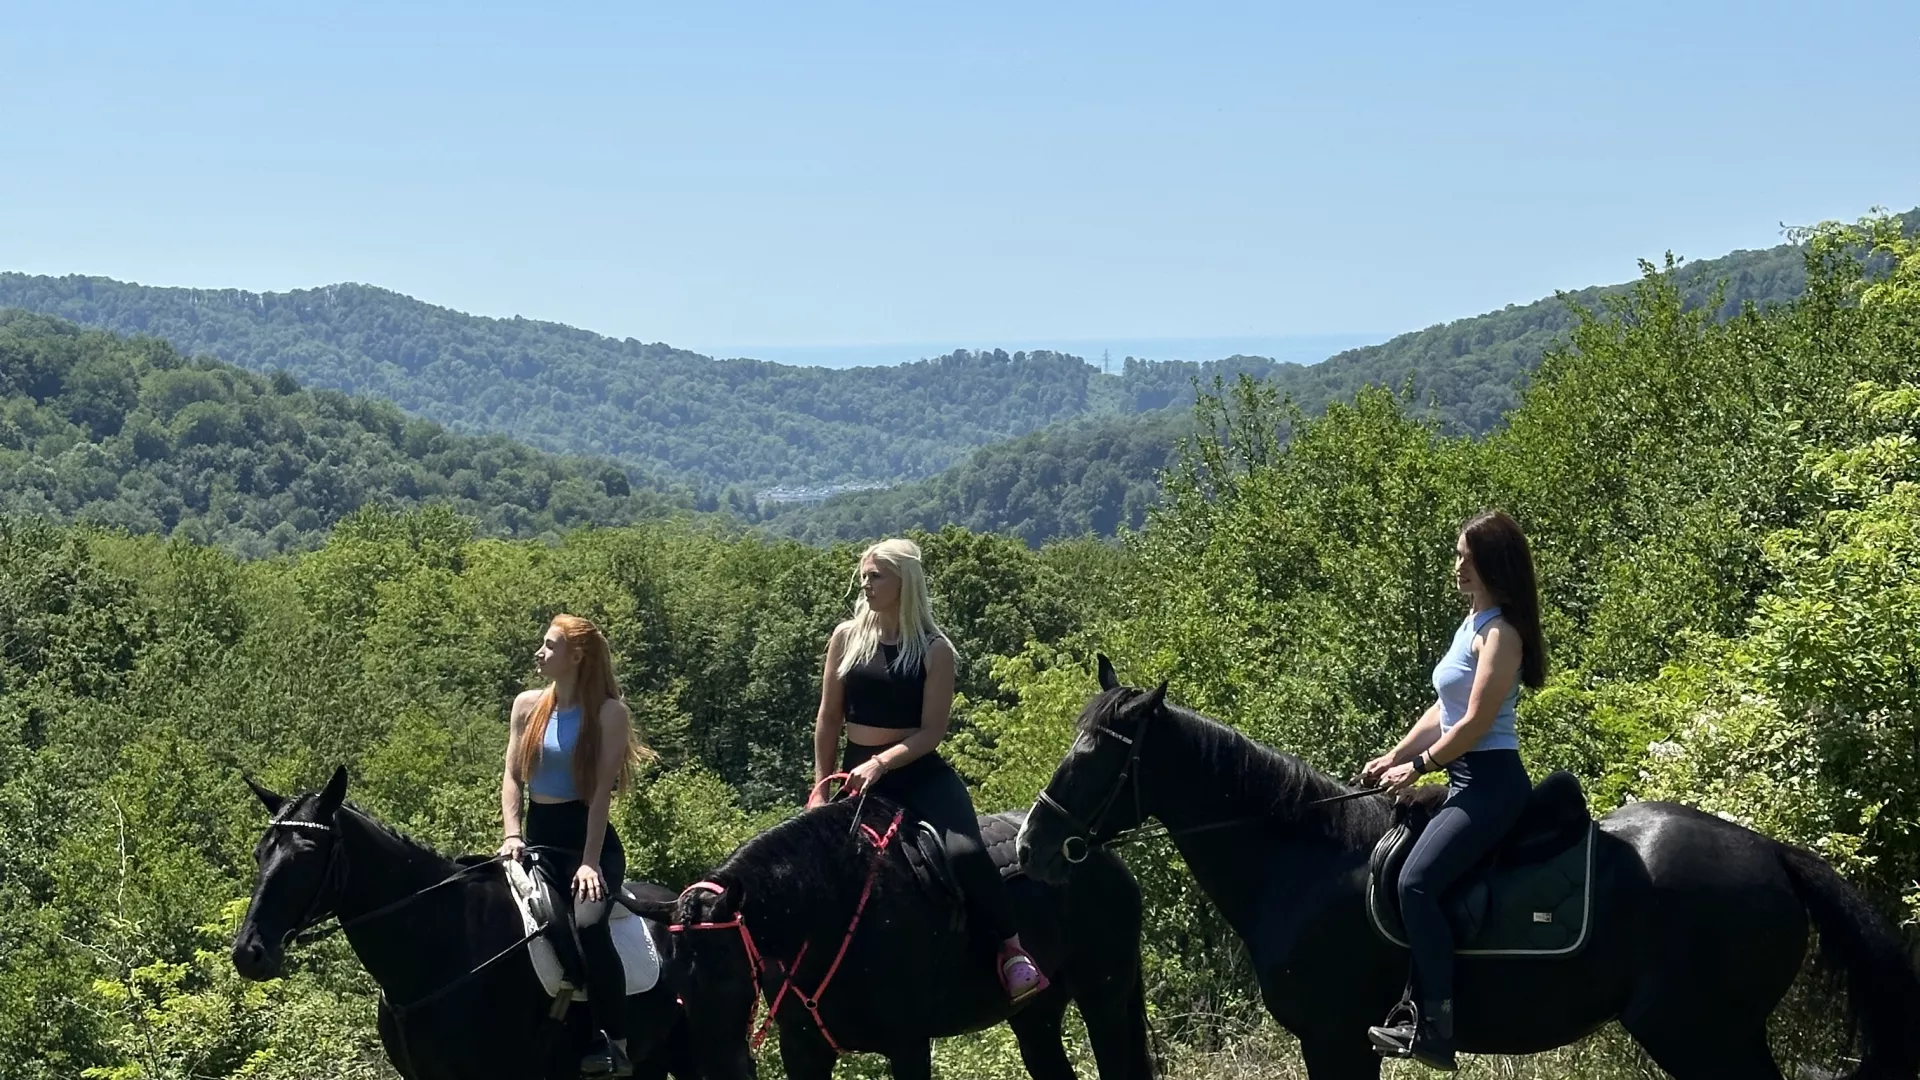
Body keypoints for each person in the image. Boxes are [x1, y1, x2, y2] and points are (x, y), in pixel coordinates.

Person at [809, 538, 1048, 1003]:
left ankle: (1012, 951)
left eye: (876, 576)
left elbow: (932, 732)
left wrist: (882, 762)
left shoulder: (935, 650)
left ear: (905, 582)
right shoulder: (846, 637)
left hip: (918, 774)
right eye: (864, 575)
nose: (866, 584)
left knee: (964, 853)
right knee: (815, 860)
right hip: (856, 775)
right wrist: (820, 786)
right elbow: (829, 717)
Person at [1358, 511, 1548, 1071]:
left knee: (1417, 884)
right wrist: (1394, 755)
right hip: (1465, 780)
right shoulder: (1472, 623)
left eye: (1467, 557)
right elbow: (1444, 708)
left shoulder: (1501, 634)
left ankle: (1436, 1026)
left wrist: (1419, 767)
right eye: (1458, 555)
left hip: (1492, 785)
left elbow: (1474, 723)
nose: (1457, 566)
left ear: (1493, 563)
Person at [500, 614, 648, 1078]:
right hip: (538, 843)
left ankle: (615, 1043)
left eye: (550, 645)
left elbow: (602, 794)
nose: (539, 652)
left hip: (590, 845)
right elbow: (512, 777)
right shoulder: (527, 705)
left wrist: (589, 864)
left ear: (577, 656)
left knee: (588, 924)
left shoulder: (609, 714)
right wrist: (512, 834)